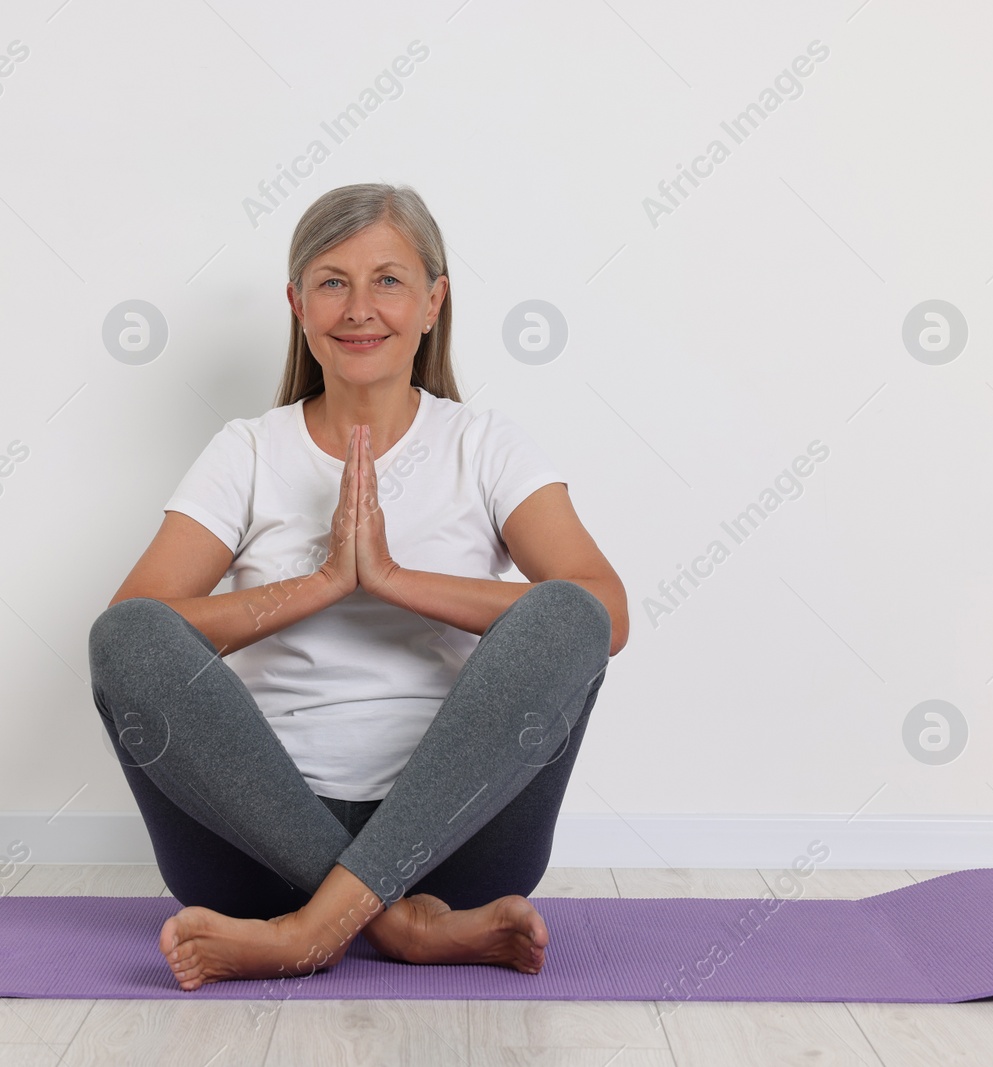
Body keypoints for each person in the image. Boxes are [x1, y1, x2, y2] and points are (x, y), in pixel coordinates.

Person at [87, 182, 628, 991]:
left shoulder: (485, 445)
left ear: (433, 300)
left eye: (388, 280)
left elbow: (606, 612)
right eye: (332, 281)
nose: (359, 307)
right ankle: (400, 926)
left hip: (460, 849)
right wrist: (322, 583)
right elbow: (140, 626)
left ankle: (309, 931)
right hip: (253, 853)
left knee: (567, 615)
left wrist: (396, 580)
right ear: (298, 304)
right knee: (121, 637)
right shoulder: (249, 452)